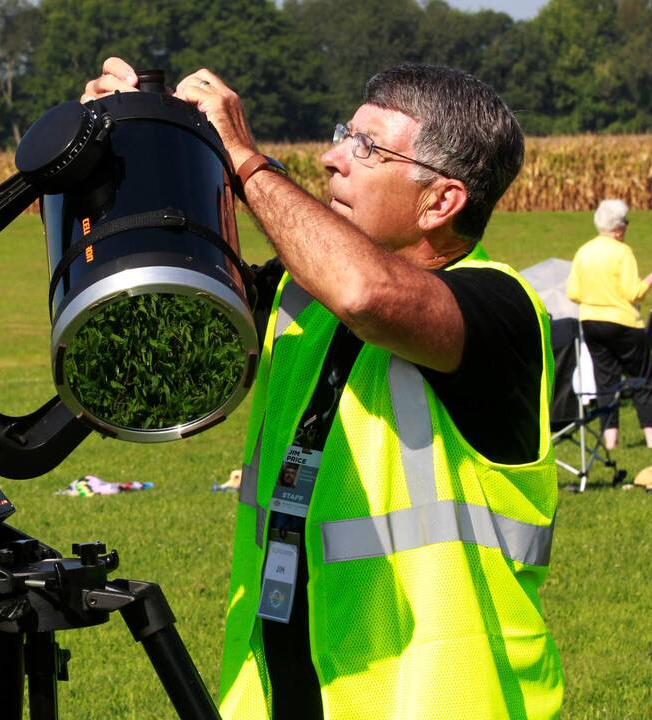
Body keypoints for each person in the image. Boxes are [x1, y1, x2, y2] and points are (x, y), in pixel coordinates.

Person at [85, 60, 562, 719]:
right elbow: (147, 352)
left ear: (441, 202)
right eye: (345, 133)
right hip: (292, 691)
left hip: (438, 698)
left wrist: (245, 161)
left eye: (368, 147)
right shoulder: (303, 297)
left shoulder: (498, 309)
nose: (332, 157)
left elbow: (365, 291)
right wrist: (127, 151)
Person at [566, 199, 652, 450]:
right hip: (623, 322)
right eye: (626, 222)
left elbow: (573, 292)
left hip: (591, 322)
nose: (627, 226)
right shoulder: (622, 251)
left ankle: (611, 441)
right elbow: (634, 293)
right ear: (618, 228)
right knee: (642, 377)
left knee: (606, 380)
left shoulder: (584, 251)